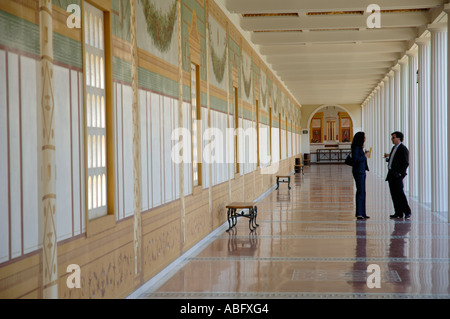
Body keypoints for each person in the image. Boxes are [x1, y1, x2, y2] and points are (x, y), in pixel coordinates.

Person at [384, 131, 411, 219]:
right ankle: (398, 212)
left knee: (400, 194)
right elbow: (394, 159)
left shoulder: (403, 149)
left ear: (398, 138)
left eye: (393, 137)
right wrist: (388, 160)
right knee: (394, 194)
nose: (392, 139)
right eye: (392, 137)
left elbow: (405, 163)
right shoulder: (394, 148)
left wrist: (400, 174)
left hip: (397, 175)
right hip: (391, 174)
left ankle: (407, 212)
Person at [351, 132, 371, 220]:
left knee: (363, 192)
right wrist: (365, 156)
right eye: (364, 137)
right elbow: (356, 159)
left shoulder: (359, 147)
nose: (365, 138)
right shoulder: (356, 147)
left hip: (361, 171)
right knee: (360, 191)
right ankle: (359, 213)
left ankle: (363, 212)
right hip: (358, 171)